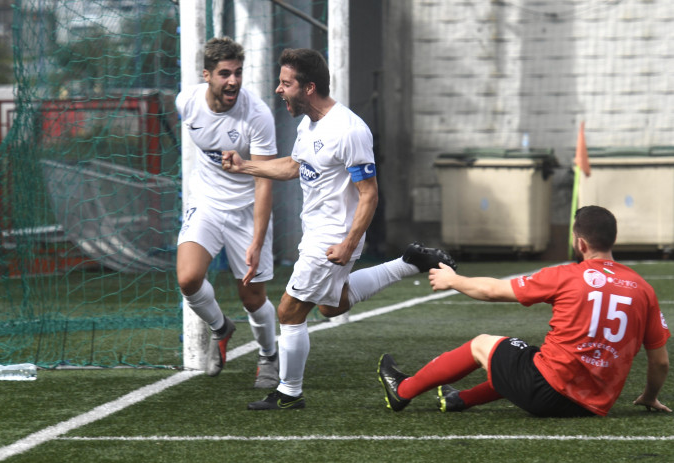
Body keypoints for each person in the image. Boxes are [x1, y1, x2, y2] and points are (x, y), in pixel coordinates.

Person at [222, 48, 455, 410]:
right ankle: (409, 262)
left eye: (286, 84)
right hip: (316, 234)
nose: (278, 90)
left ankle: (288, 393)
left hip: (332, 238)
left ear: (309, 87)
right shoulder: (309, 124)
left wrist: (348, 244)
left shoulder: (349, 130)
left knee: (288, 311)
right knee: (332, 306)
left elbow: (369, 195)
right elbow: (293, 166)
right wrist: (245, 167)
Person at [378, 205, 670, 417]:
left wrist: (453, 281)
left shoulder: (566, 275)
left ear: (580, 242)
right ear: (613, 240)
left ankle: (402, 390)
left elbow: (493, 290)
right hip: (594, 405)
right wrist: (649, 397)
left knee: (483, 344)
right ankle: (460, 400)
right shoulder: (643, 288)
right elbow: (660, 362)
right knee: (525, 356)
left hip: (547, 393)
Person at [175, 37, 279, 388]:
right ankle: (221, 328)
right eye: (224, 74)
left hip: (248, 211)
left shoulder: (258, 115)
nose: (233, 81)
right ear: (207, 75)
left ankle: (268, 355)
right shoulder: (187, 102)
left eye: (238, 73)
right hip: (206, 203)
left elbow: (265, 180)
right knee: (188, 279)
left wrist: (257, 239)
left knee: (252, 297)